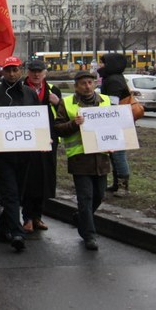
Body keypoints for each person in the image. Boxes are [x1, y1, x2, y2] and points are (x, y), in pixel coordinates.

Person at [0, 56, 40, 252]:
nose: (12, 73)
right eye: (8, 70)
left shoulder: (30, 94)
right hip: (3, 154)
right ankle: (17, 233)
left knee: (19, 192)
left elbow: (37, 120)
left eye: (15, 70)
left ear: (21, 70)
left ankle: (2, 230)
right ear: (3, 72)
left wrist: (42, 139)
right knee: (11, 193)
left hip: (26, 152)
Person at [54, 71, 112, 251]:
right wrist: (74, 124)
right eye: (83, 83)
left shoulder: (106, 100)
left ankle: (81, 217)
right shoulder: (68, 103)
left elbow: (114, 125)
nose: (87, 86)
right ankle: (89, 235)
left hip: (101, 158)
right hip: (79, 158)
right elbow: (57, 128)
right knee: (85, 197)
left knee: (99, 195)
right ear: (76, 86)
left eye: (90, 82)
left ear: (95, 83)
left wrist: (115, 141)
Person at [21, 60, 61, 232]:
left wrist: (58, 103)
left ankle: (38, 216)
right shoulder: (20, 88)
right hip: (25, 139)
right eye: (33, 71)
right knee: (28, 178)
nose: (36, 74)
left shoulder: (53, 90)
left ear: (45, 72)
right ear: (28, 72)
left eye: (40, 71)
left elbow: (62, 114)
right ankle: (27, 217)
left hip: (47, 140)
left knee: (44, 179)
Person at [97, 53, 132, 196]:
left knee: (118, 154)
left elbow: (112, 103)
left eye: (103, 63)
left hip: (117, 123)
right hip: (117, 121)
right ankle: (117, 184)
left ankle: (123, 187)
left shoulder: (113, 80)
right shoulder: (113, 78)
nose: (100, 66)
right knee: (113, 154)